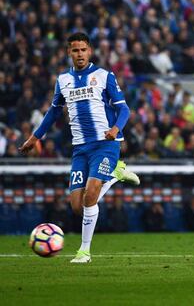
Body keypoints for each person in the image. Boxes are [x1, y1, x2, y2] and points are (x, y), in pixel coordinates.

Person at [19, 32, 140, 263]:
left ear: (90, 51)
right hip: (80, 149)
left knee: (91, 194)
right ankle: (115, 174)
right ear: (69, 52)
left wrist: (115, 129)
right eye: (75, 50)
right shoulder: (63, 80)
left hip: (106, 144)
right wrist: (35, 137)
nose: (80, 54)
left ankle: (84, 252)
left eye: (83, 49)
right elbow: (54, 111)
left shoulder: (104, 76)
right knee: (77, 206)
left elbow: (124, 109)